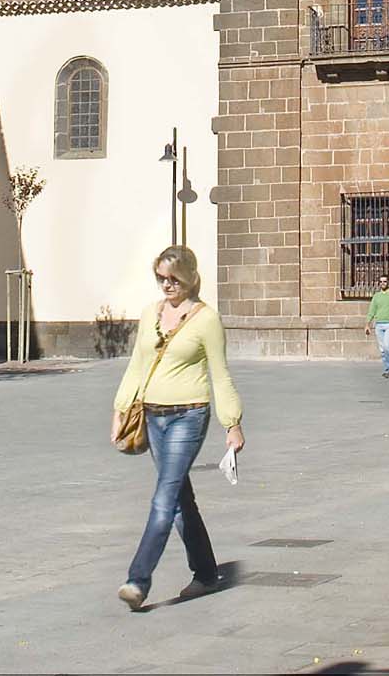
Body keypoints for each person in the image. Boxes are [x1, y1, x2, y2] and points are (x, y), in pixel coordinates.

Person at [109, 244, 242, 612]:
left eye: (173, 279)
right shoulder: (150, 313)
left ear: (190, 278)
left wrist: (232, 423)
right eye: (160, 278)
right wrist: (120, 409)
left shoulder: (206, 319)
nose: (166, 285)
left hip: (189, 415)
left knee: (164, 497)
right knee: (180, 500)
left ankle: (138, 580)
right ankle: (205, 573)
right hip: (152, 416)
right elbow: (137, 365)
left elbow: (220, 373)